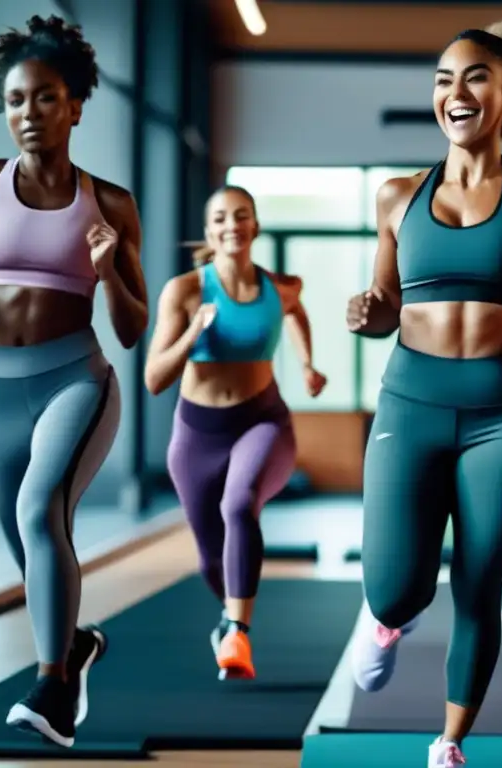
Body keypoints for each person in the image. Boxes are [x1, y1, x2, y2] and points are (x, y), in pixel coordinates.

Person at [345, 20, 502, 767]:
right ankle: (389, 622)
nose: (455, 93)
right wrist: (369, 315)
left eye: (475, 78)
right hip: (410, 405)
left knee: (480, 582)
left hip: (501, 417)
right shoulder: (397, 197)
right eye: (442, 80)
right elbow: (387, 306)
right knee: (394, 589)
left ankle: (449, 744)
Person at [0, 15, 148, 747]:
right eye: (15, 101)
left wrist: (109, 269)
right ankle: (74, 643)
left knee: (41, 508)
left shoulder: (108, 203)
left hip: (74, 380)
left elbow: (135, 327)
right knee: (30, 540)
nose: (28, 114)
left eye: (45, 98)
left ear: (75, 104)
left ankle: (52, 686)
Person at [144, 185, 326, 681]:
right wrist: (192, 332)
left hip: (262, 421)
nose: (232, 225)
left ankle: (237, 635)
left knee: (238, 505)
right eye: (220, 217)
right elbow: (155, 378)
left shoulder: (281, 287)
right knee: (210, 557)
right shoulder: (184, 291)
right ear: (209, 232)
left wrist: (308, 363)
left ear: (255, 226)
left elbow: (296, 311)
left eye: (241, 215)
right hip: (197, 434)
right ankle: (229, 618)